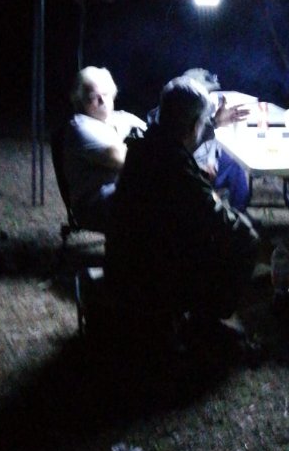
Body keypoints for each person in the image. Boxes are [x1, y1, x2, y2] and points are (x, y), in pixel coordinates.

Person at [105, 76, 259, 340]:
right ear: (193, 125)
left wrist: (212, 123)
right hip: (150, 274)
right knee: (246, 237)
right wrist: (240, 220)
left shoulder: (146, 145)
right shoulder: (176, 168)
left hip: (125, 260)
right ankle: (205, 320)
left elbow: (181, 139)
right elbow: (223, 222)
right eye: (201, 123)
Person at [148, 67, 252, 211]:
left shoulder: (152, 140)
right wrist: (201, 174)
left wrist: (215, 122)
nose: (209, 96)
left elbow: (204, 141)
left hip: (201, 167)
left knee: (234, 163)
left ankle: (240, 208)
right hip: (192, 176)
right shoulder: (174, 167)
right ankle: (236, 214)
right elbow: (182, 155)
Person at [62, 66, 146, 231]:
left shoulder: (119, 118)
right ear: (80, 100)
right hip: (93, 206)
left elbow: (153, 130)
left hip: (116, 195)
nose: (102, 101)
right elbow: (123, 160)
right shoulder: (81, 126)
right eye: (94, 97)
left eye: (106, 94)